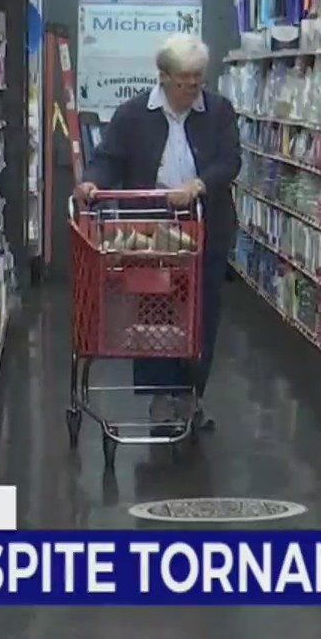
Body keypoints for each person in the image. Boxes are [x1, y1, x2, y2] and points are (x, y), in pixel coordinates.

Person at [76, 33, 240, 431]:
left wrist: (198, 185)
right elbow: (108, 159)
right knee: (156, 311)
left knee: (201, 314)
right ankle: (161, 394)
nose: (191, 88)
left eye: (197, 79)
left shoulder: (218, 111)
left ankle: (191, 394)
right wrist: (92, 183)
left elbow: (230, 161)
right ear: (163, 77)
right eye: (183, 80)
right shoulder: (134, 114)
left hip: (205, 226)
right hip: (149, 230)